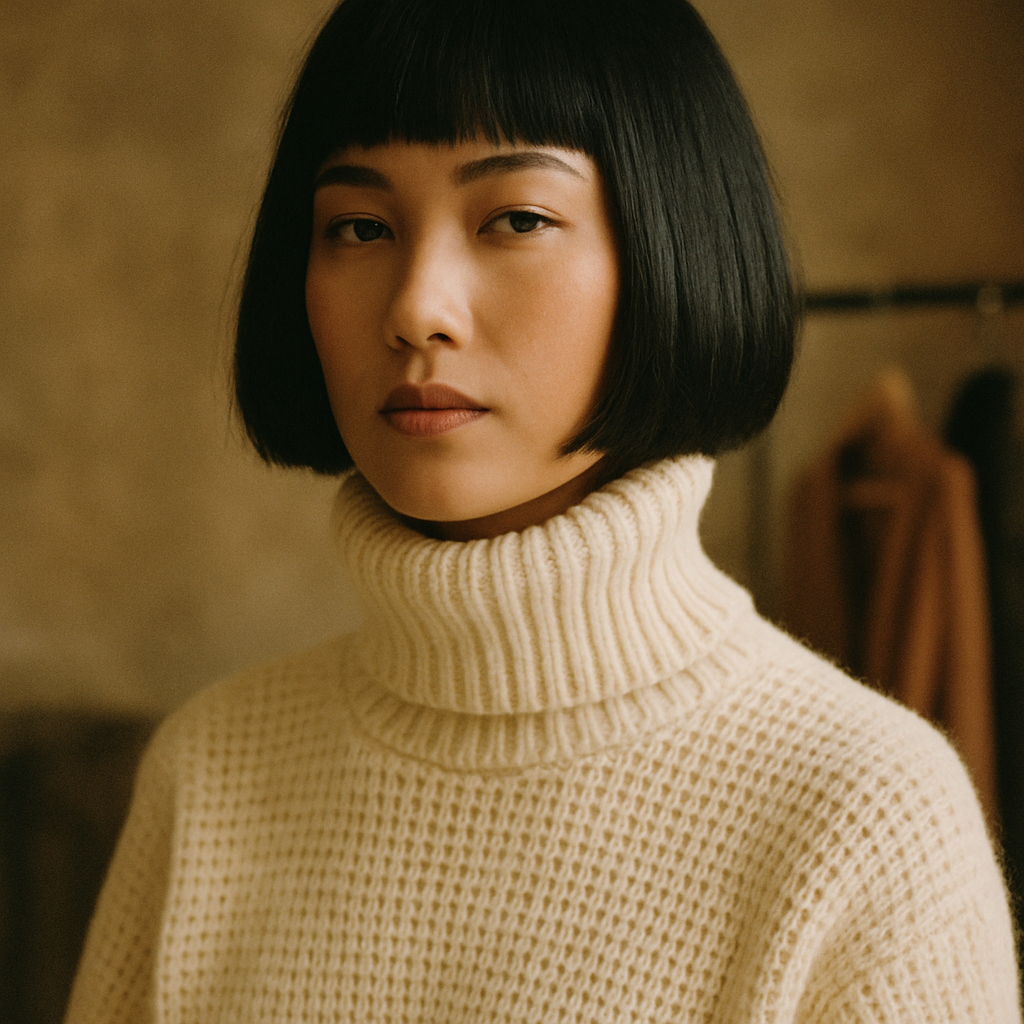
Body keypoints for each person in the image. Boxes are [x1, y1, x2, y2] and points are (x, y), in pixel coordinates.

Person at [65, 0, 1021, 1020]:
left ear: (670, 248)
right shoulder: (208, 772)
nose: (415, 308)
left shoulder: (863, 812)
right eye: (359, 226)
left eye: (514, 218)